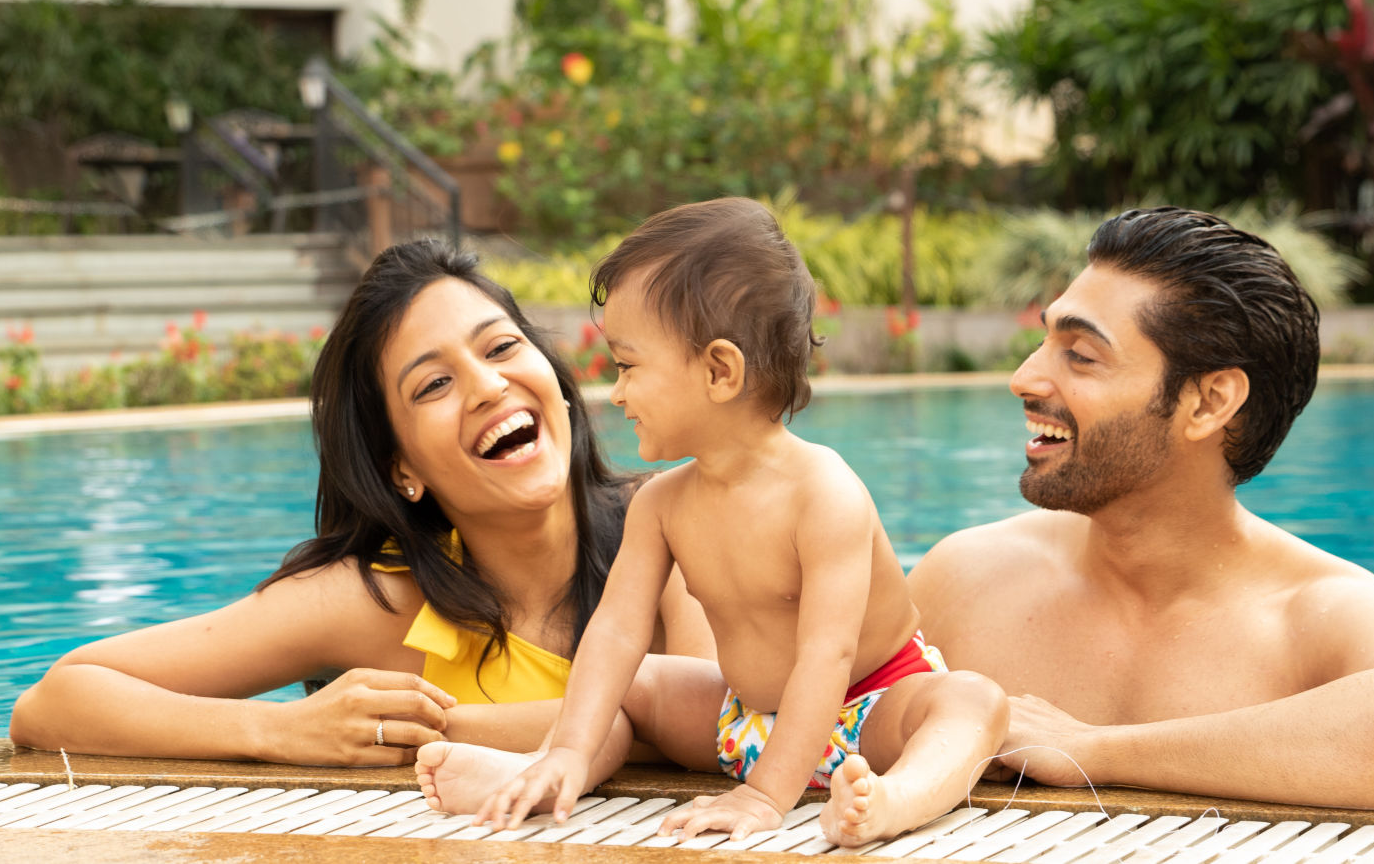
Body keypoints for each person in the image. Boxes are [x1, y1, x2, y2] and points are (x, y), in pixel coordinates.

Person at [417, 198, 1008, 847]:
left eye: (628, 365)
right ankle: (552, 768)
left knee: (972, 702)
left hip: (868, 711)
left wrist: (764, 795)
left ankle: (894, 800)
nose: (615, 393)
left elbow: (827, 655)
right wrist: (572, 745)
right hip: (740, 718)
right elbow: (615, 631)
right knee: (636, 679)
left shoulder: (824, 493)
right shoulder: (663, 504)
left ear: (719, 371)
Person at [9, 239, 714, 765]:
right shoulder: (379, 599)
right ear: (400, 466)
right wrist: (283, 730)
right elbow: (53, 700)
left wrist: (436, 733)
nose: (488, 385)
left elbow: (727, 727)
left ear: (556, 382)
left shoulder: (673, 522)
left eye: (501, 347)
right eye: (432, 385)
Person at [909, 206, 1374, 809]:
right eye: (1044, 339)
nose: (1025, 377)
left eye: (1080, 355)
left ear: (1210, 402)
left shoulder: (1315, 618)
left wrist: (1096, 750)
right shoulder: (968, 579)